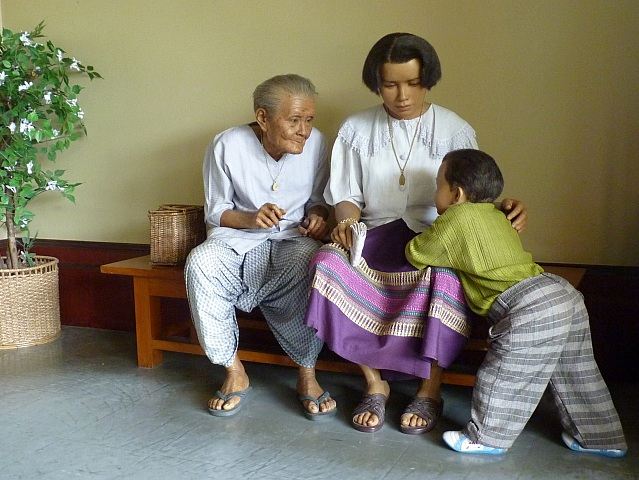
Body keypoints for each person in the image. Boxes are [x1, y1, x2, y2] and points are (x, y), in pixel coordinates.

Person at [304, 32, 527, 434]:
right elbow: (346, 195)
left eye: (413, 83)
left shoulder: (455, 129)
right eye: (390, 84)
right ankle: (374, 383)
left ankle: (430, 388)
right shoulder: (356, 128)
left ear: (429, 79)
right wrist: (346, 222)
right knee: (326, 262)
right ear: (376, 83)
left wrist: (503, 208)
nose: (402, 95)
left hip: (434, 235)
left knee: (445, 275)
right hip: (371, 234)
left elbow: (474, 195)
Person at [406, 148, 627, 457]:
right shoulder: (497, 212)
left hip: (527, 304)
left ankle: (488, 437)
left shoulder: (455, 217)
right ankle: (602, 438)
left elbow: (417, 253)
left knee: (506, 371)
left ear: (456, 194)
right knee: (576, 369)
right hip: (560, 292)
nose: (434, 194)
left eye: (437, 185)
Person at [185, 74, 337, 420]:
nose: (304, 131)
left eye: (309, 120)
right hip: (237, 239)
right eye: (294, 120)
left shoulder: (318, 145)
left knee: (312, 259)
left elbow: (318, 201)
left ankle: (307, 372)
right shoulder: (227, 144)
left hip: (291, 240)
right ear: (263, 117)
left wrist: (316, 217)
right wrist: (252, 219)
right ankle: (233, 370)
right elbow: (216, 211)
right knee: (201, 263)